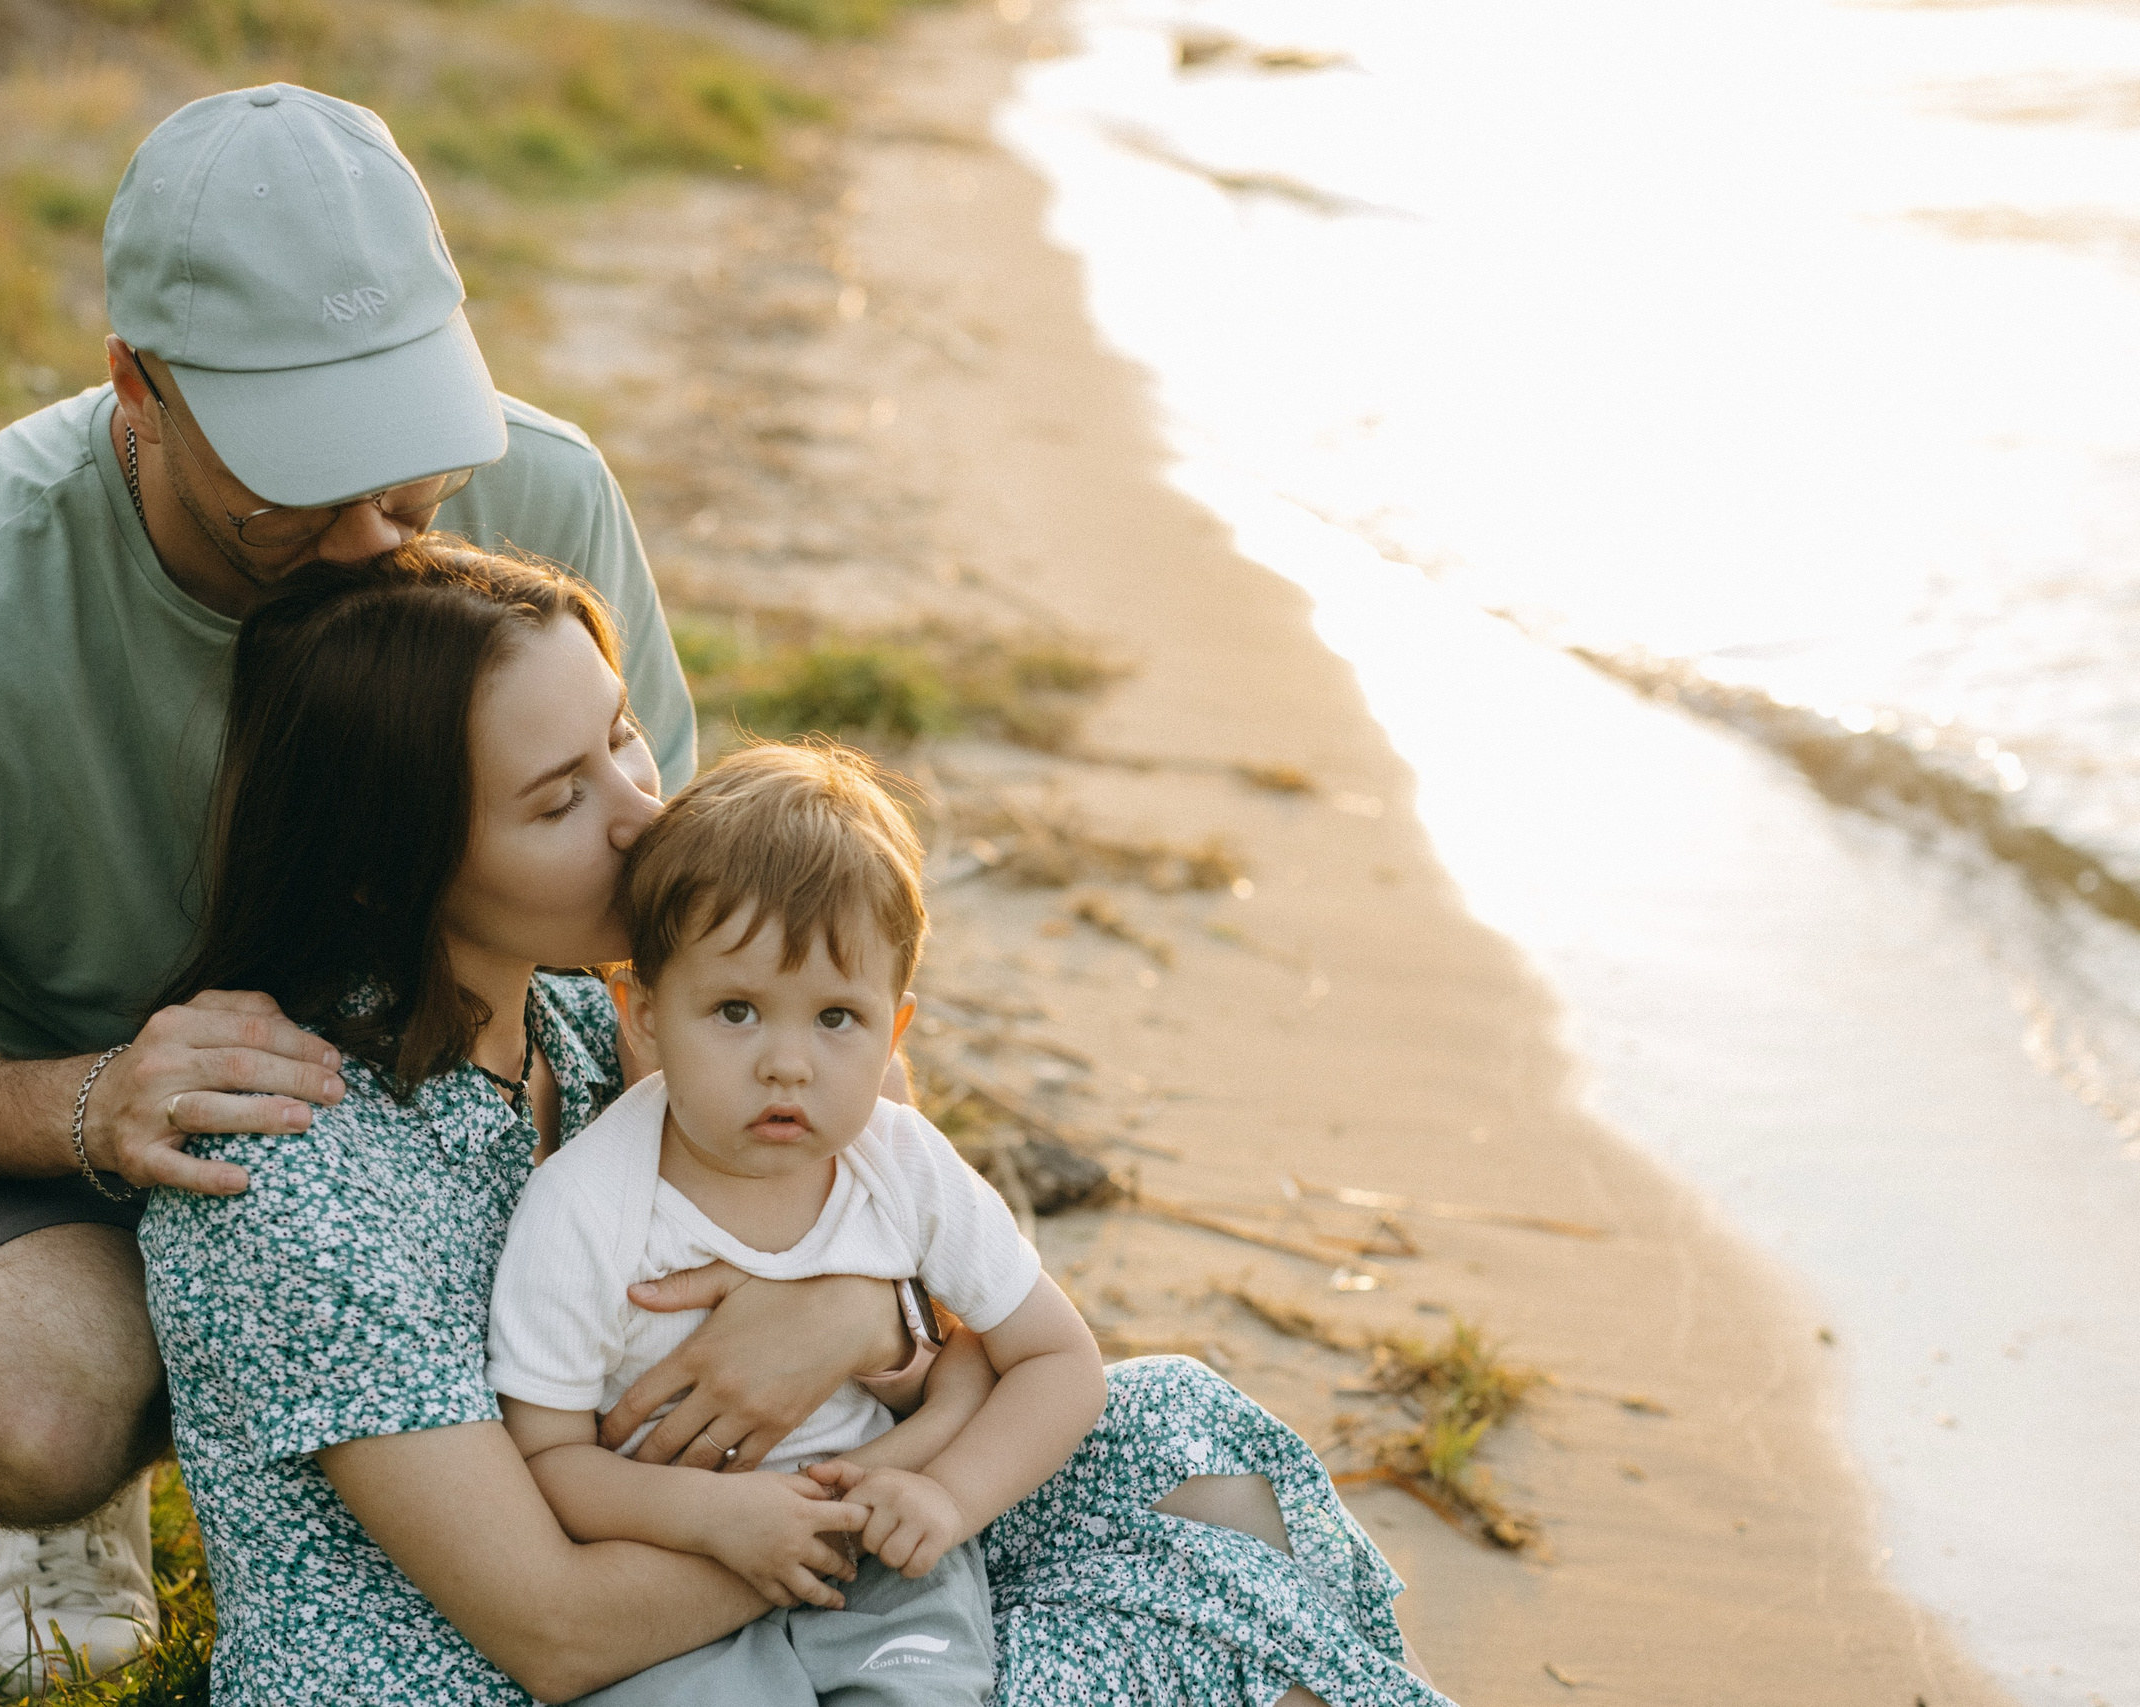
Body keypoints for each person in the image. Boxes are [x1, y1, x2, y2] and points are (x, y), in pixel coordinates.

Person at [0, 84, 918, 1694]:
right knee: (43, 1405)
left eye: (415, 482)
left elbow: (716, 926)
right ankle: (119, 1489)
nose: (382, 543)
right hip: (67, 1107)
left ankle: (443, 1445)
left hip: (462, 1077)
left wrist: (840, 1268)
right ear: (139, 391)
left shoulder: (549, 487)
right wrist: (94, 1102)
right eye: (300, 489)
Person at [140, 539, 1454, 1706]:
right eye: (560, 798)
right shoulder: (294, 1160)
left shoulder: (593, 1022)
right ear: (392, 860)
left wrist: (862, 1316)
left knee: (1175, 1426)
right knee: (1188, 1595)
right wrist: (861, 1518)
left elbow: (909, 1223)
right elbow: (549, 1628)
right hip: (513, 1665)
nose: (644, 812)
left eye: (625, 735)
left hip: (789, 1580)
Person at [486, 741, 1109, 1705]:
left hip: (886, 1575)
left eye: (835, 1018)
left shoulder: (900, 1164)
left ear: (894, 1030)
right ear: (645, 1015)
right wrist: (715, 1517)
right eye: (736, 1010)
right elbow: (552, 1458)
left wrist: (949, 1495)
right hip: (666, 1588)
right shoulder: (583, 1205)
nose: (788, 1062)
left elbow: (1059, 1361)